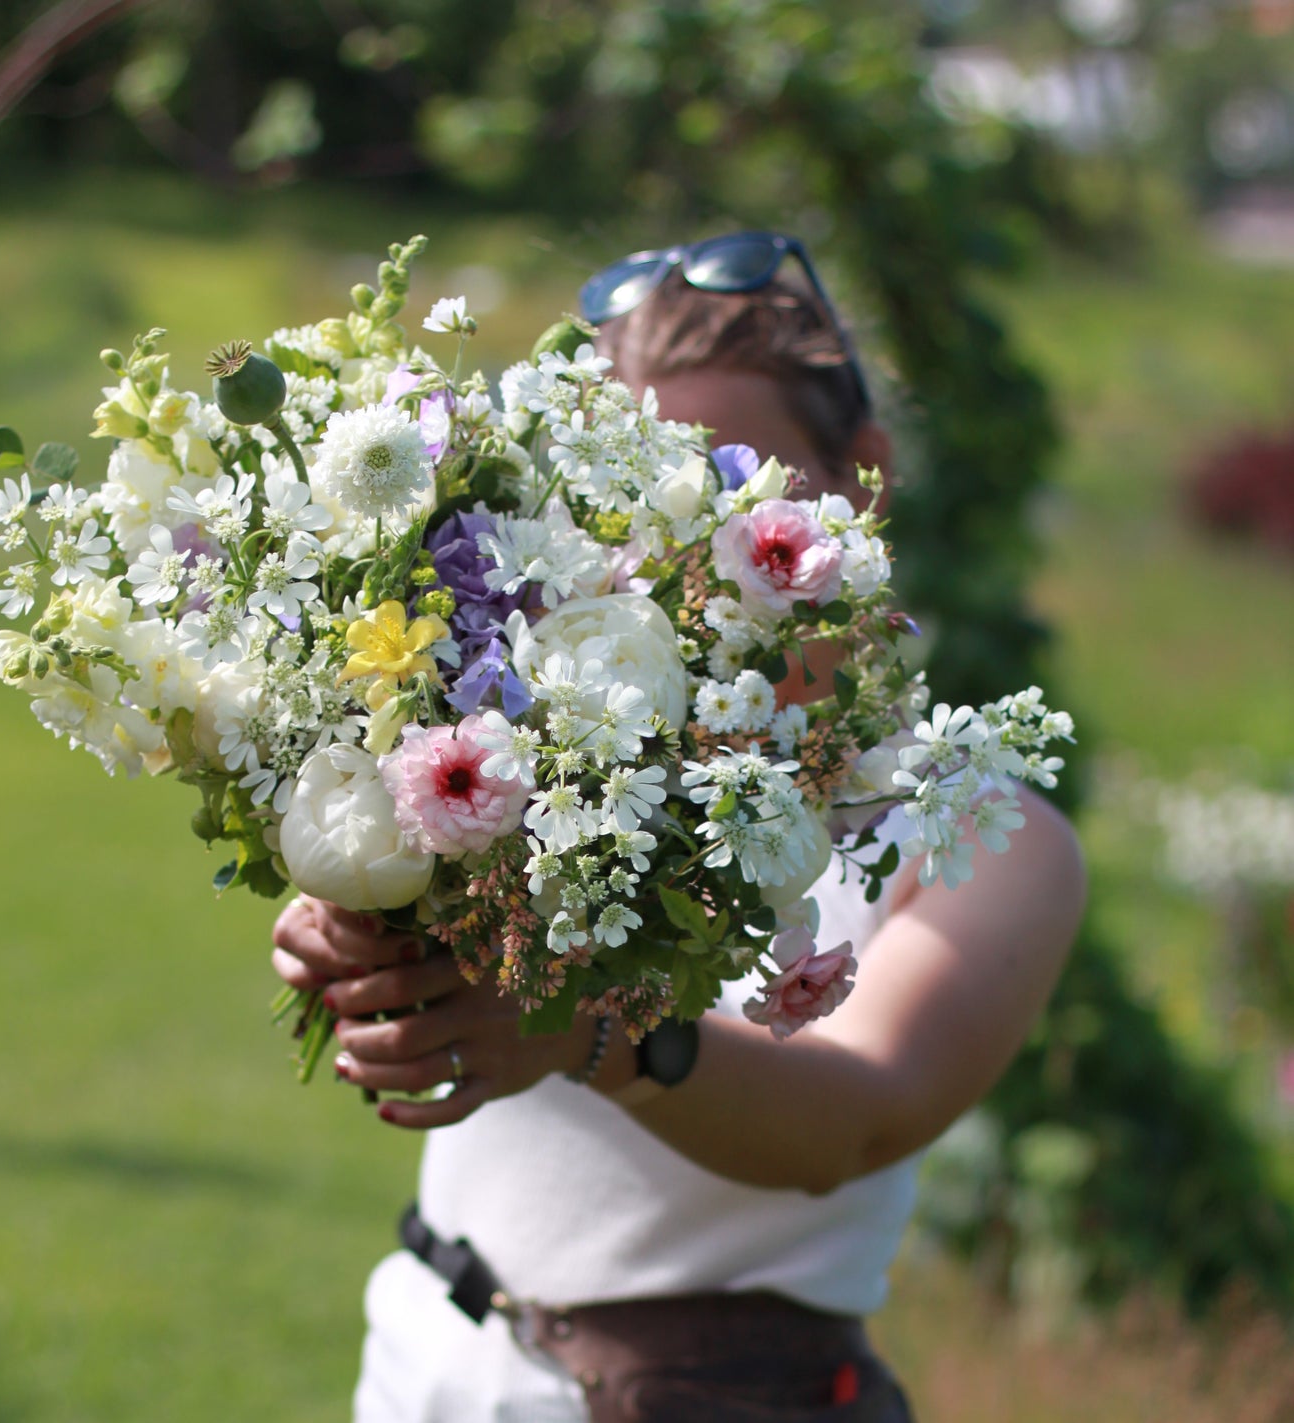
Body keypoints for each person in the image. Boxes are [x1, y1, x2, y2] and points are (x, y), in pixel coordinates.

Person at [271, 232, 1087, 1421]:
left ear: (862, 470)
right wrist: (352, 922)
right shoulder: (533, 729)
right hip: (426, 1364)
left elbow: (855, 1117)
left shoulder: (975, 826)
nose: (677, 524)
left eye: (728, 467)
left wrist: (585, 1037)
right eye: (629, 478)